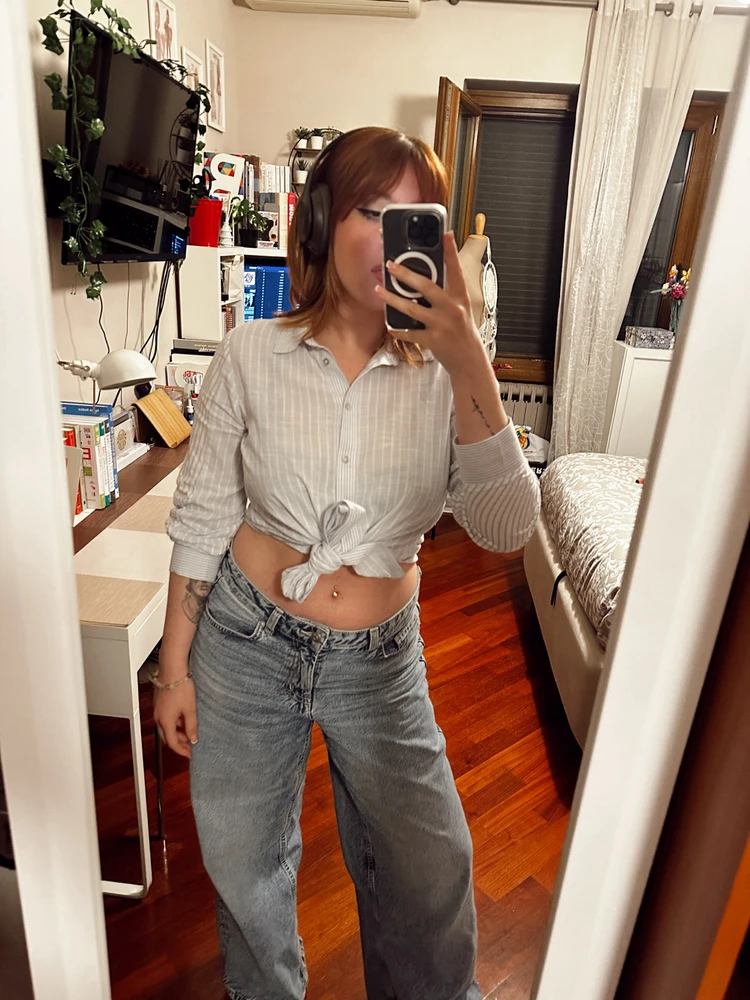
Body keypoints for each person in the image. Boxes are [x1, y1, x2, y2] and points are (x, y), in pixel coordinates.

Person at [155, 127, 541, 1000]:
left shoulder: (447, 373)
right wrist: (174, 667)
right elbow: (204, 513)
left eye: (414, 216)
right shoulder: (251, 353)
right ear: (324, 220)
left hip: (381, 662)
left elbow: (505, 526)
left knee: (432, 868)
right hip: (246, 643)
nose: (391, 235)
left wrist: (468, 356)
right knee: (245, 870)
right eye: (372, 210)